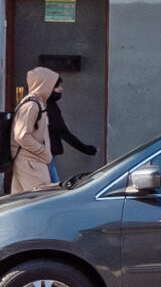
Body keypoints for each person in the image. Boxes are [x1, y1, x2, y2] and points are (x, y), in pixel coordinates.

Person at [8, 65, 99, 193]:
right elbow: (21, 136)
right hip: (32, 162)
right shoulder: (31, 106)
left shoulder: (39, 104)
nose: (60, 89)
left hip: (32, 161)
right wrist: (44, 153)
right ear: (44, 85)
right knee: (44, 200)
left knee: (21, 204)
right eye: (55, 86)